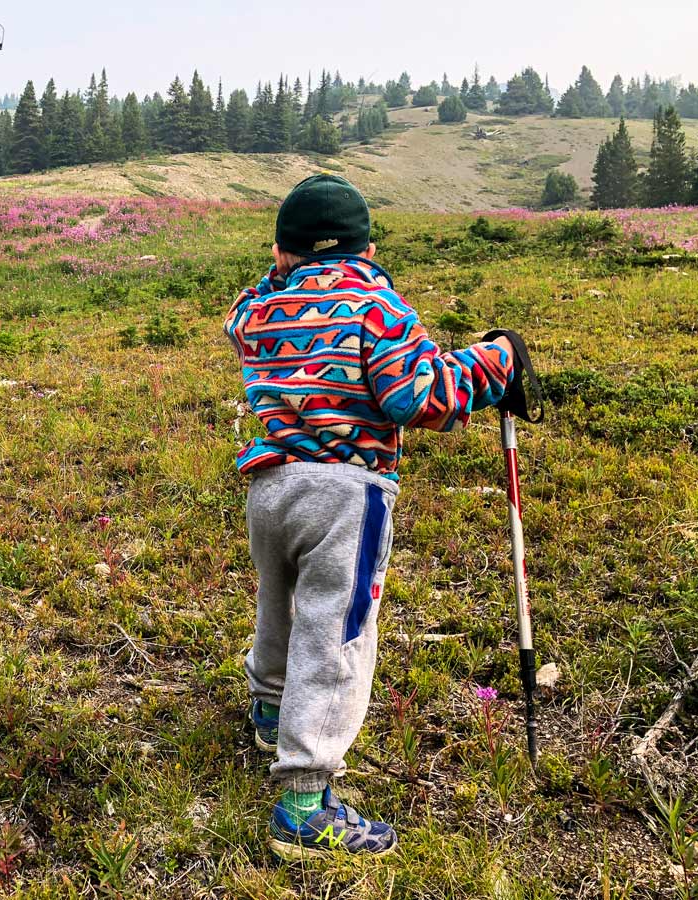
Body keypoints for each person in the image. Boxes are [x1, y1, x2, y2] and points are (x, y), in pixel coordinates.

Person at [224, 175, 516, 859]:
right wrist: (493, 363)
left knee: (280, 607)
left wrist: (284, 272)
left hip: (271, 487)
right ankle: (304, 804)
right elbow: (419, 397)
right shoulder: (375, 307)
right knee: (336, 635)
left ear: (280, 249)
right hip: (346, 494)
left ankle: (269, 712)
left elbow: (255, 305)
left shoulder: (258, 309)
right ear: (370, 245)